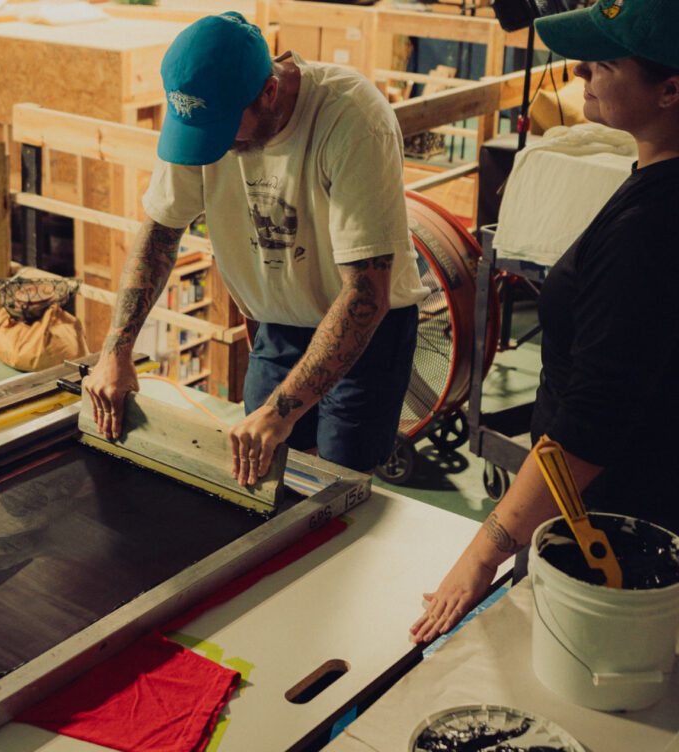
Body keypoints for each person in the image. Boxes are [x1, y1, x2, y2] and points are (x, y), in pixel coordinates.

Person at [411, 0, 679, 645]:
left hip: (608, 531)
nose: (581, 69)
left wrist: (484, 551)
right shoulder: (653, 185)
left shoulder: (650, 227)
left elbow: (592, 422)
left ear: (670, 90)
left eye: (605, 63)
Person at [83, 11, 428, 485]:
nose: (215, 148)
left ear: (269, 92)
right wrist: (116, 351)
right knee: (260, 465)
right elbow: (160, 233)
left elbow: (365, 292)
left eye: (225, 132)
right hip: (279, 321)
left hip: (366, 326)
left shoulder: (352, 118)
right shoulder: (202, 114)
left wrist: (280, 412)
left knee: (339, 476)